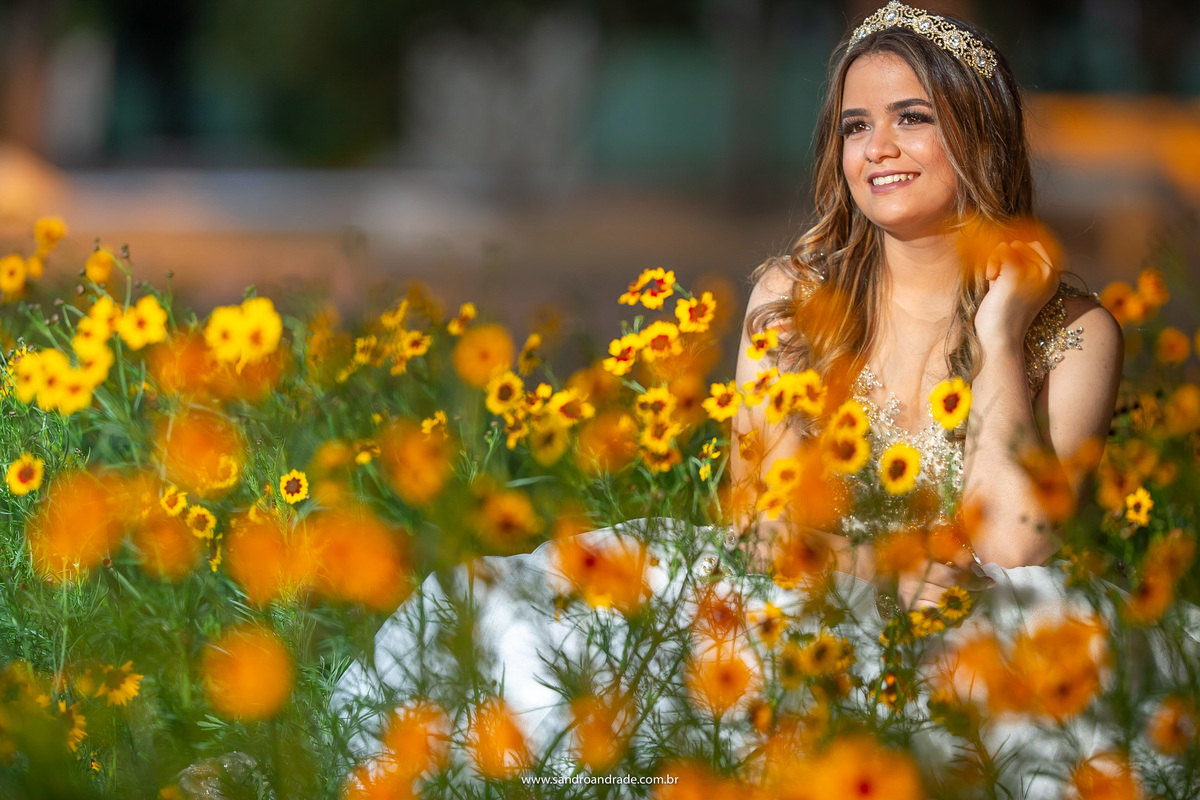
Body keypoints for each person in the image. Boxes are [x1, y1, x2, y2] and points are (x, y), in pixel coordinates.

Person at [333, 4, 1128, 797]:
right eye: (855, 127)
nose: (877, 148)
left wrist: (999, 334)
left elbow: (1018, 546)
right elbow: (763, 526)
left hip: (978, 639)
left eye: (911, 118)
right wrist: (897, 572)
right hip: (797, 610)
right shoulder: (793, 301)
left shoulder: (1074, 334)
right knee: (529, 642)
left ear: (981, 133)